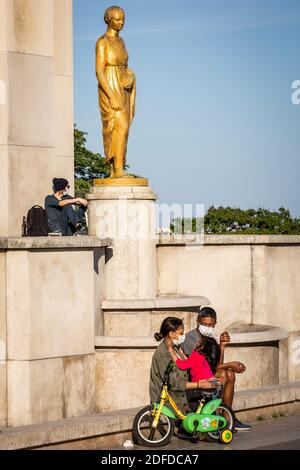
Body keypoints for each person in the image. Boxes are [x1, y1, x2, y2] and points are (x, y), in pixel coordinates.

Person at [183, 307, 252, 432]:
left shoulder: (210, 337)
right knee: (224, 373)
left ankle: (228, 417)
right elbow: (201, 365)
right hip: (195, 379)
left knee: (229, 373)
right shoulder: (190, 339)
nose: (208, 327)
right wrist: (229, 364)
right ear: (198, 322)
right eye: (205, 324)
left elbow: (216, 363)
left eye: (211, 325)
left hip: (207, 373)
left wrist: (222, 346)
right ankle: (217, 415)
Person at [150, 317, 218, 440]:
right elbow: (174, 383)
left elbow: (187, 364)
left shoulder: (175, 348)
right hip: (171, 395)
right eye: (181, 333)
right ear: (171, 334)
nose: (183, 336)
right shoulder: (163, 354)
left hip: (182, 391)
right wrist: (200, 385)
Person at [96, 6, 136, 178]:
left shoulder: (121, 42)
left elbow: (125, 66)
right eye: (118, 19)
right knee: (118, 126)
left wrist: (130, 76)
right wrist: (111, 95)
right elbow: (99, 71)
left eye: (123, 19)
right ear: (108, 20)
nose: (121, 22)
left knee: (124, 128)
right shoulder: (102, 42)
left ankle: (116, 169)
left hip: (123, 85)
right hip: (109, 85)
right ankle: (117, 169)